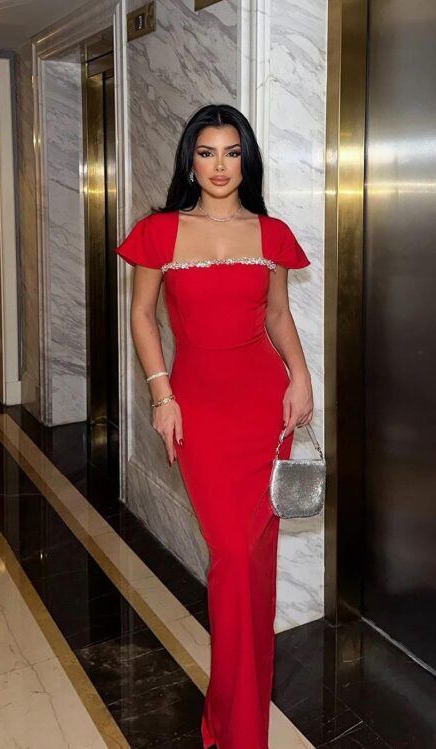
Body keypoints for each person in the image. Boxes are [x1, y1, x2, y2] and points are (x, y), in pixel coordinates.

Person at [114, 103, 313, 749]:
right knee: (230, 555)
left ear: (245, 160)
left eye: (232, 152)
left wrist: (302, 378)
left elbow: (278, 316)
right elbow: (144, 317)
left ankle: (234, 721)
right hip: (197, 409)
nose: (220, 165)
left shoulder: (271, 232)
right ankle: (233, 722)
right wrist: (160, 394)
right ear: (190, 160)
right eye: (207, 152)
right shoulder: (160, 232)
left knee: (254, 564)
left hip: (265, 407)